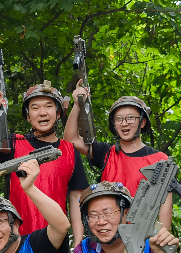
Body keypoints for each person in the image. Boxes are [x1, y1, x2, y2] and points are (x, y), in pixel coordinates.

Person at [0, 81, 88, 240]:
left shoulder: (70, 151)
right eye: (35, 108)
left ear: (59, 113)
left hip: (55, 239)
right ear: (28, 117)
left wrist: (79, 242)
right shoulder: (14, 144)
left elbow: (75, 200)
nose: (42, 112)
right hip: (16, 239)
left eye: (49, 106)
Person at [65, 90, 173, 229]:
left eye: (130, 118)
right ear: (114, 125)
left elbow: (165, 204)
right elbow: (71, 140)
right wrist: (77, 104)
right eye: (118, 119)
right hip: (107, 233)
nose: (124, 123)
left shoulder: (159, 159)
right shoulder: (106, 152)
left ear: (142, 122)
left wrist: (161, 240)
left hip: (142, 235)